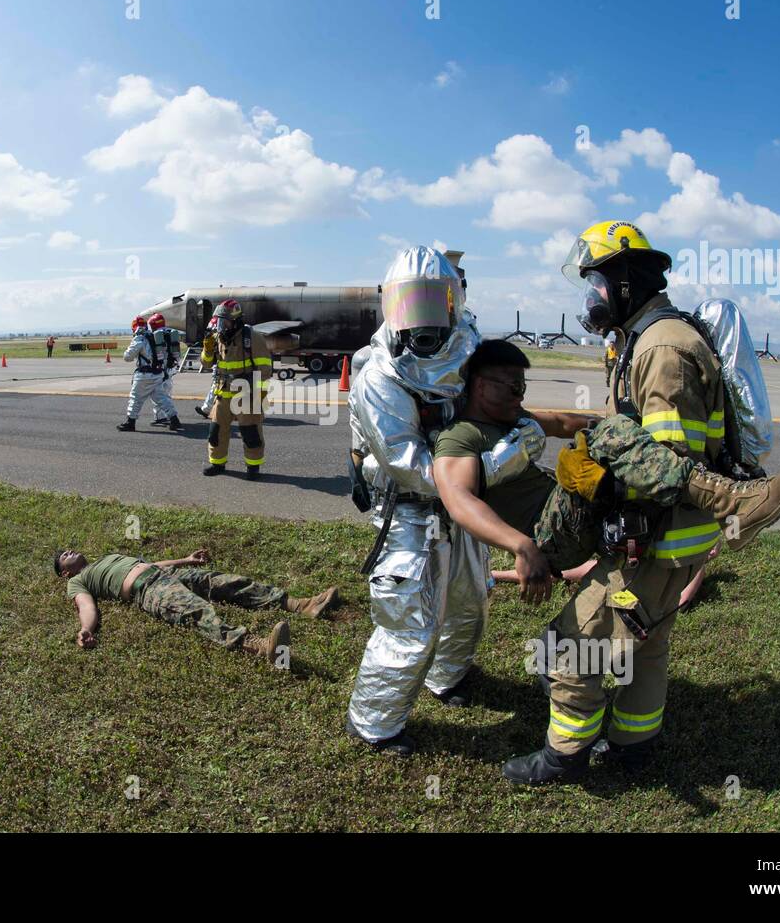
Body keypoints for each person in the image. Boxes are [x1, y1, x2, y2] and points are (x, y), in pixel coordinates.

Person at [501, 220, 780, 784]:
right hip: (673, 539)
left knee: (570, 648)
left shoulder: (662, 348)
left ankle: (563, 757)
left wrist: (597, 483)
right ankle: (635, 746)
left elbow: (665, 461)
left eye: (597, 285)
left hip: (651, 538)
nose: (590, 299)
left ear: (628, 284)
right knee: (647, 646)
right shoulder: (646, 336)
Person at [433, 340, 780, 603]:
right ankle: (732, 502)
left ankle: (729, 510)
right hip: (548, 538)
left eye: (524, 386)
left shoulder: (515, 417)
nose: (521, 396)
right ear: (481, 386)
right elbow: (458, 501)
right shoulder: (462, 436)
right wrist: (522, 547)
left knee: (615, 436)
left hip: (578, 519)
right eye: (514, 387)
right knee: (610, 437)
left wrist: (622, 424)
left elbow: (565, 421)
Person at [344, 246, 491, 754]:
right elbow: (409, 465)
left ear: (455, 302)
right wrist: (498, 465)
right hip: (411, 510)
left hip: (463, 507)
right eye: (411, 304)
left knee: (471, 599)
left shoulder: (471, 352)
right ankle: (374, 723)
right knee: (409, 622)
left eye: (434, 302)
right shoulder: (380, 374)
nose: (422, 319)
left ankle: (448, 677)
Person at [54, 546, 339, 665]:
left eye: (69, 549)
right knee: (197, 611)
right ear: (66, 572)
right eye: (64, 555)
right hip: (148, 590)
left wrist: (187, 561)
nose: (70, 551)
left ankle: (301, 605)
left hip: (165, 574)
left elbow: (149, 564)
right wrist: (86, 629)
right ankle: (261, 647)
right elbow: (86, 606)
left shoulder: (107, 557)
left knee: (226, 582)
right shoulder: (77, 581)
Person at [201, 299, 272, 477]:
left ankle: (253, 467)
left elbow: (265, 369)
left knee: (251, 433)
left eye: (224, 321)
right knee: (216, 431)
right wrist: (207, 349)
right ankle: (217, 464)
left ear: (235, 320)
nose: (220, 325)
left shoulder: (252, 337)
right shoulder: (218, 337)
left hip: (246, 395)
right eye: (219, 321)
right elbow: (207, 364)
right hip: (223, 394)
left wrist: (259, 394)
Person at [117, 316, 182, 432]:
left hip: (144, 375)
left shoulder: (139, 339)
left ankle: (130, 422)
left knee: (135, 399)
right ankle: (174, 419)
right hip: (158, 373)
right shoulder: (155, 336)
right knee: (162, 398)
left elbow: (127, 357)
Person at [144, 313, 184, 427]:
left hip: (161, 368)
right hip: (171, 367)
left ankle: (161, 416)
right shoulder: (170, 333)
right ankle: (168, 415)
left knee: (158, 393)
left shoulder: (156, 336)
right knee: (167, 392)